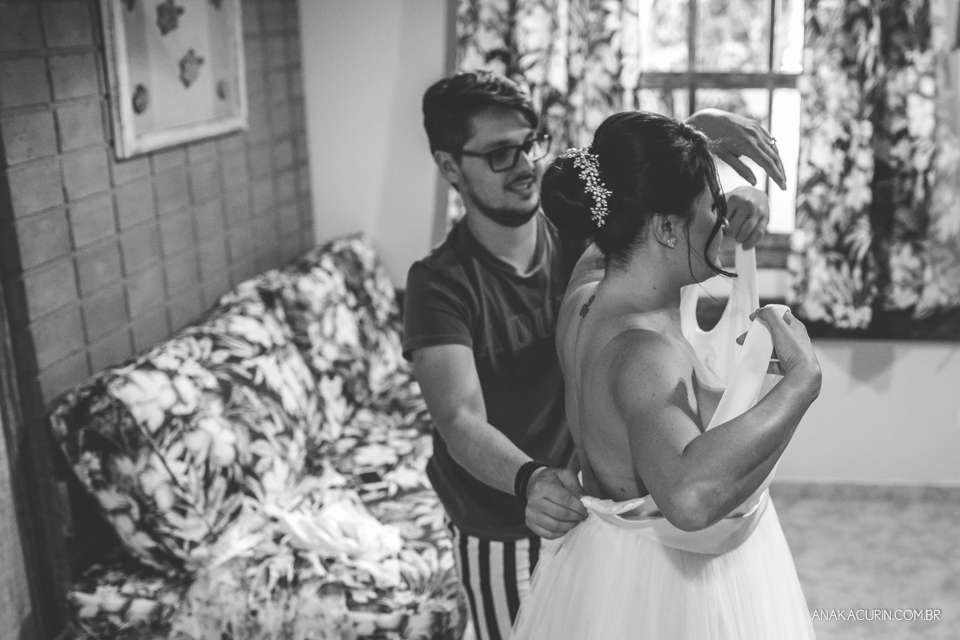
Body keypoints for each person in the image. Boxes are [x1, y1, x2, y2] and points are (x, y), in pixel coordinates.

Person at [402, 70, 786, 640]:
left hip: (597, 501)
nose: (526, 165)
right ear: (450, 166)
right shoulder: (440, 284)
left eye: (531, 143)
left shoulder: (585, 232)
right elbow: (459, 419)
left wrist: (692, 144)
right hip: (506, 515)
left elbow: (646, 206)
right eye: (500, 154)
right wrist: (529, 479)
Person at [511, 111, 821, 639]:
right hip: (665, 595)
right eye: (713, 208)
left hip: (604, 566)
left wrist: (693, 134)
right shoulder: (645, 353)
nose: (723, 223)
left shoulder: (587, 290)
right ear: (664, 227)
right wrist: (800, 383)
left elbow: (624, 201)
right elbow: (689, 496)